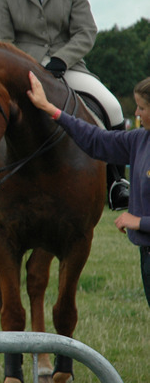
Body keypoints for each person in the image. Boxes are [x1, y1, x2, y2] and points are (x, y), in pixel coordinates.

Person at [0, 0, 130, 210]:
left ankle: (116, 182)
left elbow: (85, 31)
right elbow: (0, 42)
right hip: (25, 74)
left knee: (112, 106)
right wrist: (27, 66)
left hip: (69, 69)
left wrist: (61, 59)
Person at [27, 71, 150, 308]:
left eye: (141, 108)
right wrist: (51, 109)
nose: (136, 113)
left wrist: (139, 222)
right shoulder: (139, 140)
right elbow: (96, 140)